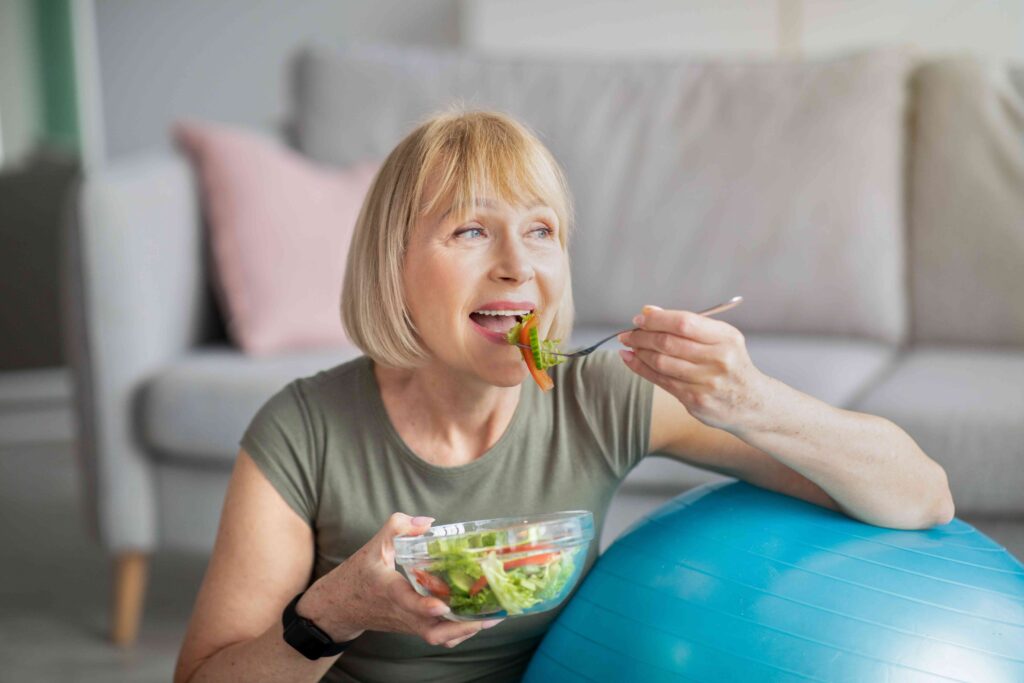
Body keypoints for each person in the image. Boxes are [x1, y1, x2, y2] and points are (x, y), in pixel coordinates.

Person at [174, 110, 955, 683]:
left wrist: (753, 401)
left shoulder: (601, 392)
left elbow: (922, 496)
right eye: (471, 231)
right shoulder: (302, 429)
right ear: (393, 267)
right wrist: (336, 609)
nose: (520, 266)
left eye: (540, 230)